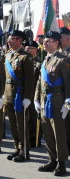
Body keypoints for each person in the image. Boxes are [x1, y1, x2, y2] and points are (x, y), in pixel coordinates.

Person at [34, 31, 70, 176]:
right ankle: (52, 159)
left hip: (58, 101)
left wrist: (67, 104)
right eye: (45, 41)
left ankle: (61, 163)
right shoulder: (45, 59)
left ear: (56, 43)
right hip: (44, 101)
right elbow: (39, 81)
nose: (45, 43)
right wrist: (36, 98)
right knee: (47, 131)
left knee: (59, 133)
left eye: (48, 41)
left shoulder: (63, 60)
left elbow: (68, 84)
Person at [4, 30, 35, 162]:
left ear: (20, 40)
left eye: (13, 39)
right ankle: (17, 147)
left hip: (20, 94)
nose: (10, 41)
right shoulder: (8, 55)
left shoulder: (25, 56)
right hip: (9, 94)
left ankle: (25, 150)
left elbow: (30, 79)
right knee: (12, 124)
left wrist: (27, 97)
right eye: (9, 39)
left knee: (21, 124)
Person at [24, 40, 42, 148]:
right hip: (26, 93)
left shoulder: (39, 64)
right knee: (26, 118)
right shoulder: (25, 61)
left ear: (35, 50)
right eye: (26, 49)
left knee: (34, 118)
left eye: (29, 49)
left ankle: (35, 138)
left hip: (34, 94)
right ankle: (28, 136)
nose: (27, 51)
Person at [59, 27, 70, 155]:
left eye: (60, 37)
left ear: (67, 38)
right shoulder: (59, 54)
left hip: (67, 94)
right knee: (63, 125)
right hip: (59, 94)